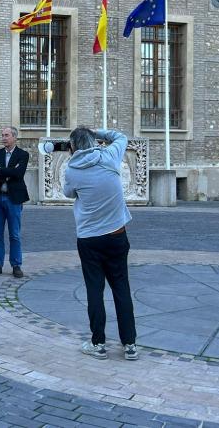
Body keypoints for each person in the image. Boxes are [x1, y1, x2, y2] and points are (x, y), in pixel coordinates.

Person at [63, 126, 138, 361]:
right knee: (121, 288)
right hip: (117, 234)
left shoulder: (72, 169)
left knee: (94, 290)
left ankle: (98, 343)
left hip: (89, 238)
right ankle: (130, 344)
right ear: (94, 141)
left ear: (73, 147)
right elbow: (121, 136)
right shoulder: (109, 156)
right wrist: (99, 132)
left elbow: (68, 193)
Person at [0, 126, 30, 278]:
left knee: (15, 234)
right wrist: (8, 171)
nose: (3, 138)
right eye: (3, 135)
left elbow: (19, 174)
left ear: (14, 137)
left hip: (14, 199)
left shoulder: (22, 154)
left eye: (6, 135)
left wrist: (1, 170)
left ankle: (16, 265)